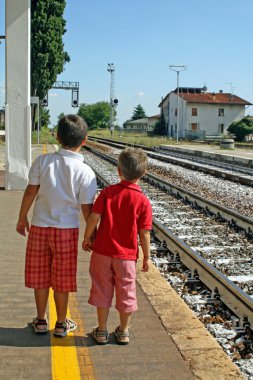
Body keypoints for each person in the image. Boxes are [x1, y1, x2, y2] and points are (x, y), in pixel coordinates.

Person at [16, 114, 97, 337]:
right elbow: (87, 209)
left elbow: (31, 190)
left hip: (40, 228)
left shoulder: (42, 162)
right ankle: (61, 324)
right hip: (67, 232)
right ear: (85, 140)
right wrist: (91, 236)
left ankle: (41, 321)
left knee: (40, 277)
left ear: (58, 137)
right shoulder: (86, 172)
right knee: (62, 279)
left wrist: (22, 218)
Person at [83, 147, 152, 345]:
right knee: (127, 291)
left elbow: (94, 218)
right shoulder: (143, 201)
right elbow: (144, 232)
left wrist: (88, 238)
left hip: (102, 253)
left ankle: (102, 331)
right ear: (144, 173)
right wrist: (146, 256)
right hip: (127, 258)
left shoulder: (107, 192)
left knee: (102, 289)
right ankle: (123, 331)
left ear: (119, 170)